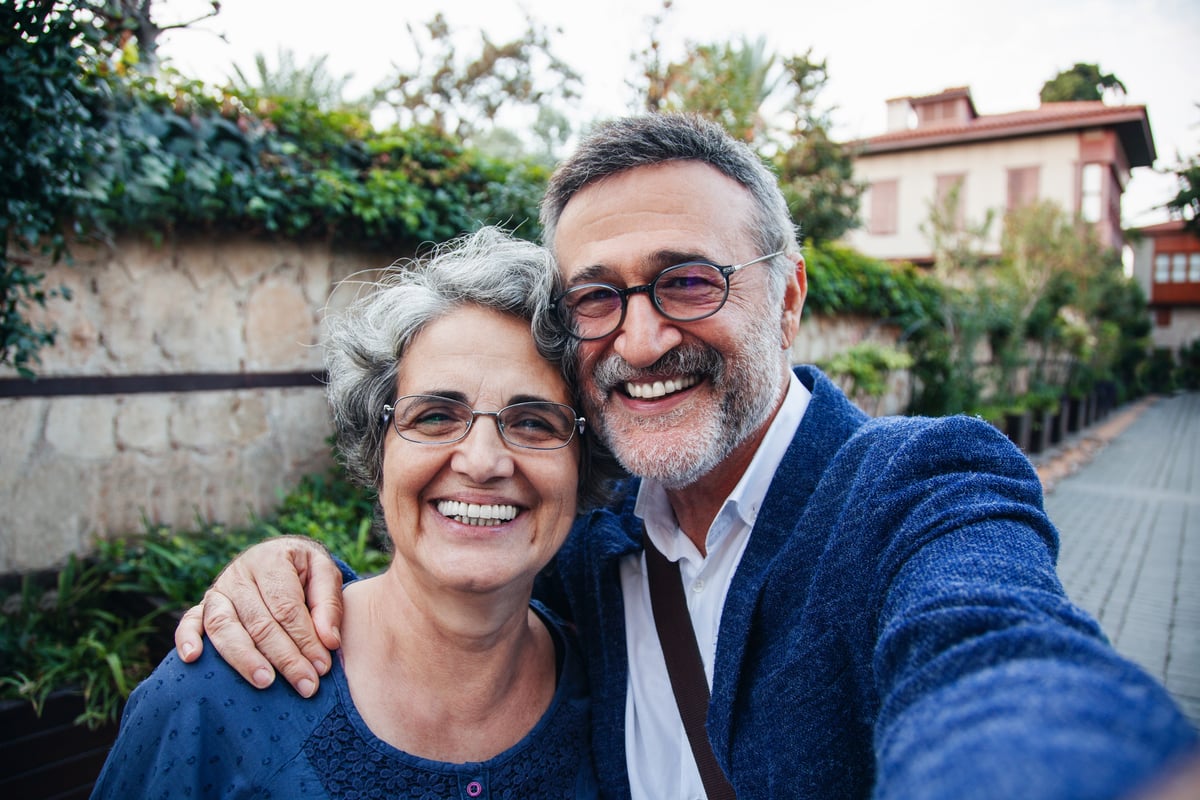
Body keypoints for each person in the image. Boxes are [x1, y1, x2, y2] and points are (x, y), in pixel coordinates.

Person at [174, 114, 1199, 799]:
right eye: (597, 296)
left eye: (690, 281)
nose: (643, 337)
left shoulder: (917, 489)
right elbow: (453, 580)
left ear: (788, 296)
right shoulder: (589, 539)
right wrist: (295, 574)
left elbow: (992, 653)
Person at [93, 227, 618, 799]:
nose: (483, 461)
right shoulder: (214, 698)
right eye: (435, 417)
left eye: (534, 422)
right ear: (377, 448)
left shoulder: (616, 695)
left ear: (582, 463)